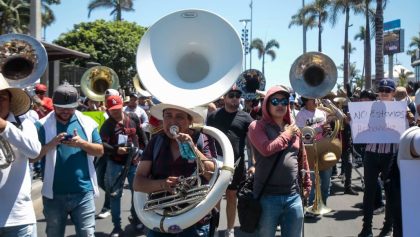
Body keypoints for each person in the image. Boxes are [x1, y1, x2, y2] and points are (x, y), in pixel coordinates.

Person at [133, 103, 215, 237]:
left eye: (180, 117)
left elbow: (212, 175)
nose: (172, 121)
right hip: (161, 219)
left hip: (195, 219)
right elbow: (138, 183)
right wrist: (163, 184)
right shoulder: (155, 142)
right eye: (168, 116)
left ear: (190, 121)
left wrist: (193, 148)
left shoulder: (202, 139)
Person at [34, 83, 104, 237]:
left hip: (83, 193)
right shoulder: (41, 125)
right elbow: (33, 158)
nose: (65, 111)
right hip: (53, 195)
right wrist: (51, 144)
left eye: (70, 107)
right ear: (53, 104)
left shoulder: (88, 123)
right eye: (61, 107)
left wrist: (82, 143)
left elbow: (100, 151)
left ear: (77, 105)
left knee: (87, 234)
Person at [247, 85, 311, 237]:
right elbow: (266, 148)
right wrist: (288, 133)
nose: (280, 105)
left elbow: (302, 157)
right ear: (267, 104)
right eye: (275, 101)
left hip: (294, 196)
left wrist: (307, 181)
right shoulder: (256, 126)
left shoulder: (294, 129)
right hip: (267, 198)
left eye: (284, 101)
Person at [357, 79, 404, 237]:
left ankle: (388, 226)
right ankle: (367, 227)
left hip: (390, 155)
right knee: (369, 192)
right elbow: (360, 124)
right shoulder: (370, 107)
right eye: (381, 89)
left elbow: (407, 129)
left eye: (387, 90)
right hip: (371, 152)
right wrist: (353, 122)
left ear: (393, 92)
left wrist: (408, 119)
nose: (384, 92)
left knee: (390, 192)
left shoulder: (401, 108)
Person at [206, 87, 254, 237]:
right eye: (231, 95)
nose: (235, 98)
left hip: (237, 163)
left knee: (232, 196)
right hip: (217, 162)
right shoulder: (213, 116)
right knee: (215, 198)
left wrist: (253, 163)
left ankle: (230, 229)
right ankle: (213, 227)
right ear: (225, 98)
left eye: (238, 96)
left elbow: (252, 141)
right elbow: (207, 138)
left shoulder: (246, 117)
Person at [0, 74, 41, 237]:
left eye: (1, 98)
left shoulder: (25, 125)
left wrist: (5, 127)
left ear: (10, 102)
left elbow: (35, 152)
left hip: (18, 218)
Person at [100, 95, 147, 236]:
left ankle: (136, 218)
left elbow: (141, 135)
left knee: (137, 193)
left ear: (122, 105)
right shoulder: (107, 125)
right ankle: (116, 226)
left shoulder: (133, 117)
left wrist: (146, 153)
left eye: (117, 108)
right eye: (112, 109)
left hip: (134, 161)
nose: (115, 112)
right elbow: (101, 144)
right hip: (115, 163)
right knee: (115, 195)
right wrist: (115, 149)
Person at [295, 97, 333, 207]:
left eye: (316, 99)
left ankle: (322, 203)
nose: (316, 101)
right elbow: (302, 134)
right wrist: (319, 129)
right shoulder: (301, 115)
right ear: (306, 101)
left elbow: (332, 123)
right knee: (311, 180)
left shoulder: (322, 112)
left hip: (324, 148)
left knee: (326, 180)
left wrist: (328, 130)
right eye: (313, 99)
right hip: (309, 149)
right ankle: (311, 206)